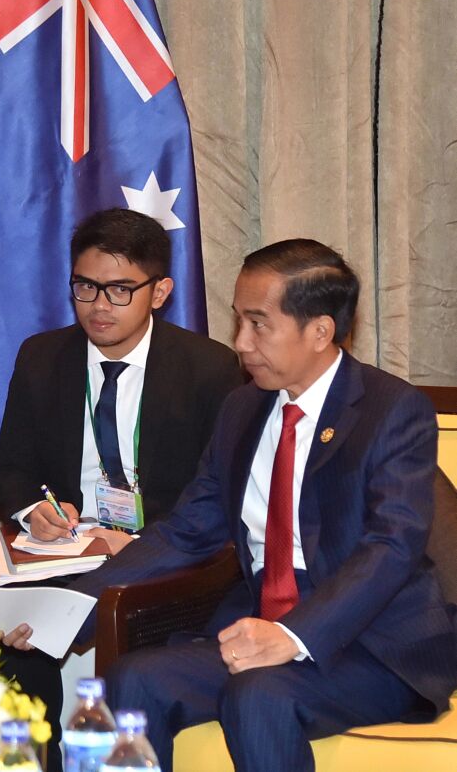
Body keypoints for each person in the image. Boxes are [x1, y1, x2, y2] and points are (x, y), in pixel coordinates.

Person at [66, 240, 457, 772]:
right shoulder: (242, 407)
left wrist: (293, 636)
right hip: (256, 628)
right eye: (238, 322)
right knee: (132, 678)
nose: (241, 343)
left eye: (258, 324)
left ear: (319, 331)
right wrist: (67, 609)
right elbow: (186, 530)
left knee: (258, 694)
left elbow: (392, 545)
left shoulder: (391, 410)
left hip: (371, 645)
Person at [0, 208, 244, 731]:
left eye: (120, 290)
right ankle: (37, 758)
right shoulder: (41, 357)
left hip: (166, 556)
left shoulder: (210, 369)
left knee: (131, 652)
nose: (99, 307)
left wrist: (142, 543)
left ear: (161, 291)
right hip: (65, 551)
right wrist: (36, 511)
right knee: (13, 638)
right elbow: (9, 471)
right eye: (85, 286)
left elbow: (221, 498)